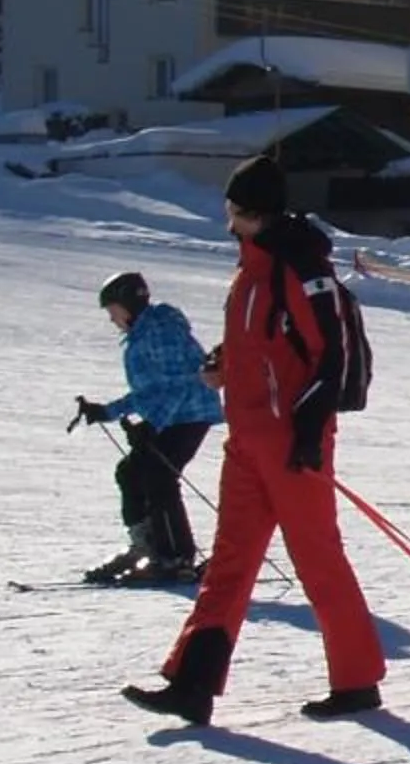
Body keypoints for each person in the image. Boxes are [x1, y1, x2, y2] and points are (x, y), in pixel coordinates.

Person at [123, 153, 387, 728]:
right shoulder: (250, 269)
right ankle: (192, 684)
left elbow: (327, 354)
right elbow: (263, 346)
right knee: (230, 561)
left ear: (248, 211)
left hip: (290, 440)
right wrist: (226, 366)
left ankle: (357, 679)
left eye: (233, 206)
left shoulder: (294, 267)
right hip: (246, 438)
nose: (227, 215)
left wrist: (308, 431)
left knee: (316, 556)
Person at [77, 270, 222, 583]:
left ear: (126, 304)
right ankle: (149, 547)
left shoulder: (158, 331)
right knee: (131, 471)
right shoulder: (146, 332)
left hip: (189, 413)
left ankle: (174, 558)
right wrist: (107, 411)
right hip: (177, 415)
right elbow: (151, 390)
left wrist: (153, 425)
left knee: (159, 475)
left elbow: (181, 382)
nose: (111, 318)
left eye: (112, 309)